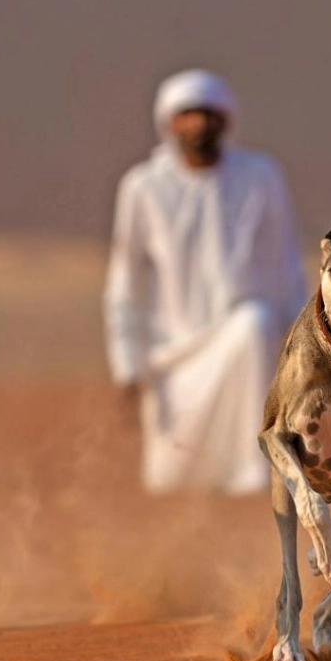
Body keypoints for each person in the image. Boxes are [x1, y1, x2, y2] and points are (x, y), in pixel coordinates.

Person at [104, 69, 306, 495]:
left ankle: (255, 482)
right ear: (169, 123)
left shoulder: (261, 178)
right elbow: (126, 282)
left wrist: (306, 351)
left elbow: (285, 263)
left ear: (225, 121)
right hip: (172, 354)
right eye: (188, 114)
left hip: (244, 345)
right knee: (170, 480)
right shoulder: (142, 187)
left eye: (209, 114)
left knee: (253, 322)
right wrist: (127, 364)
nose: (199, 124)